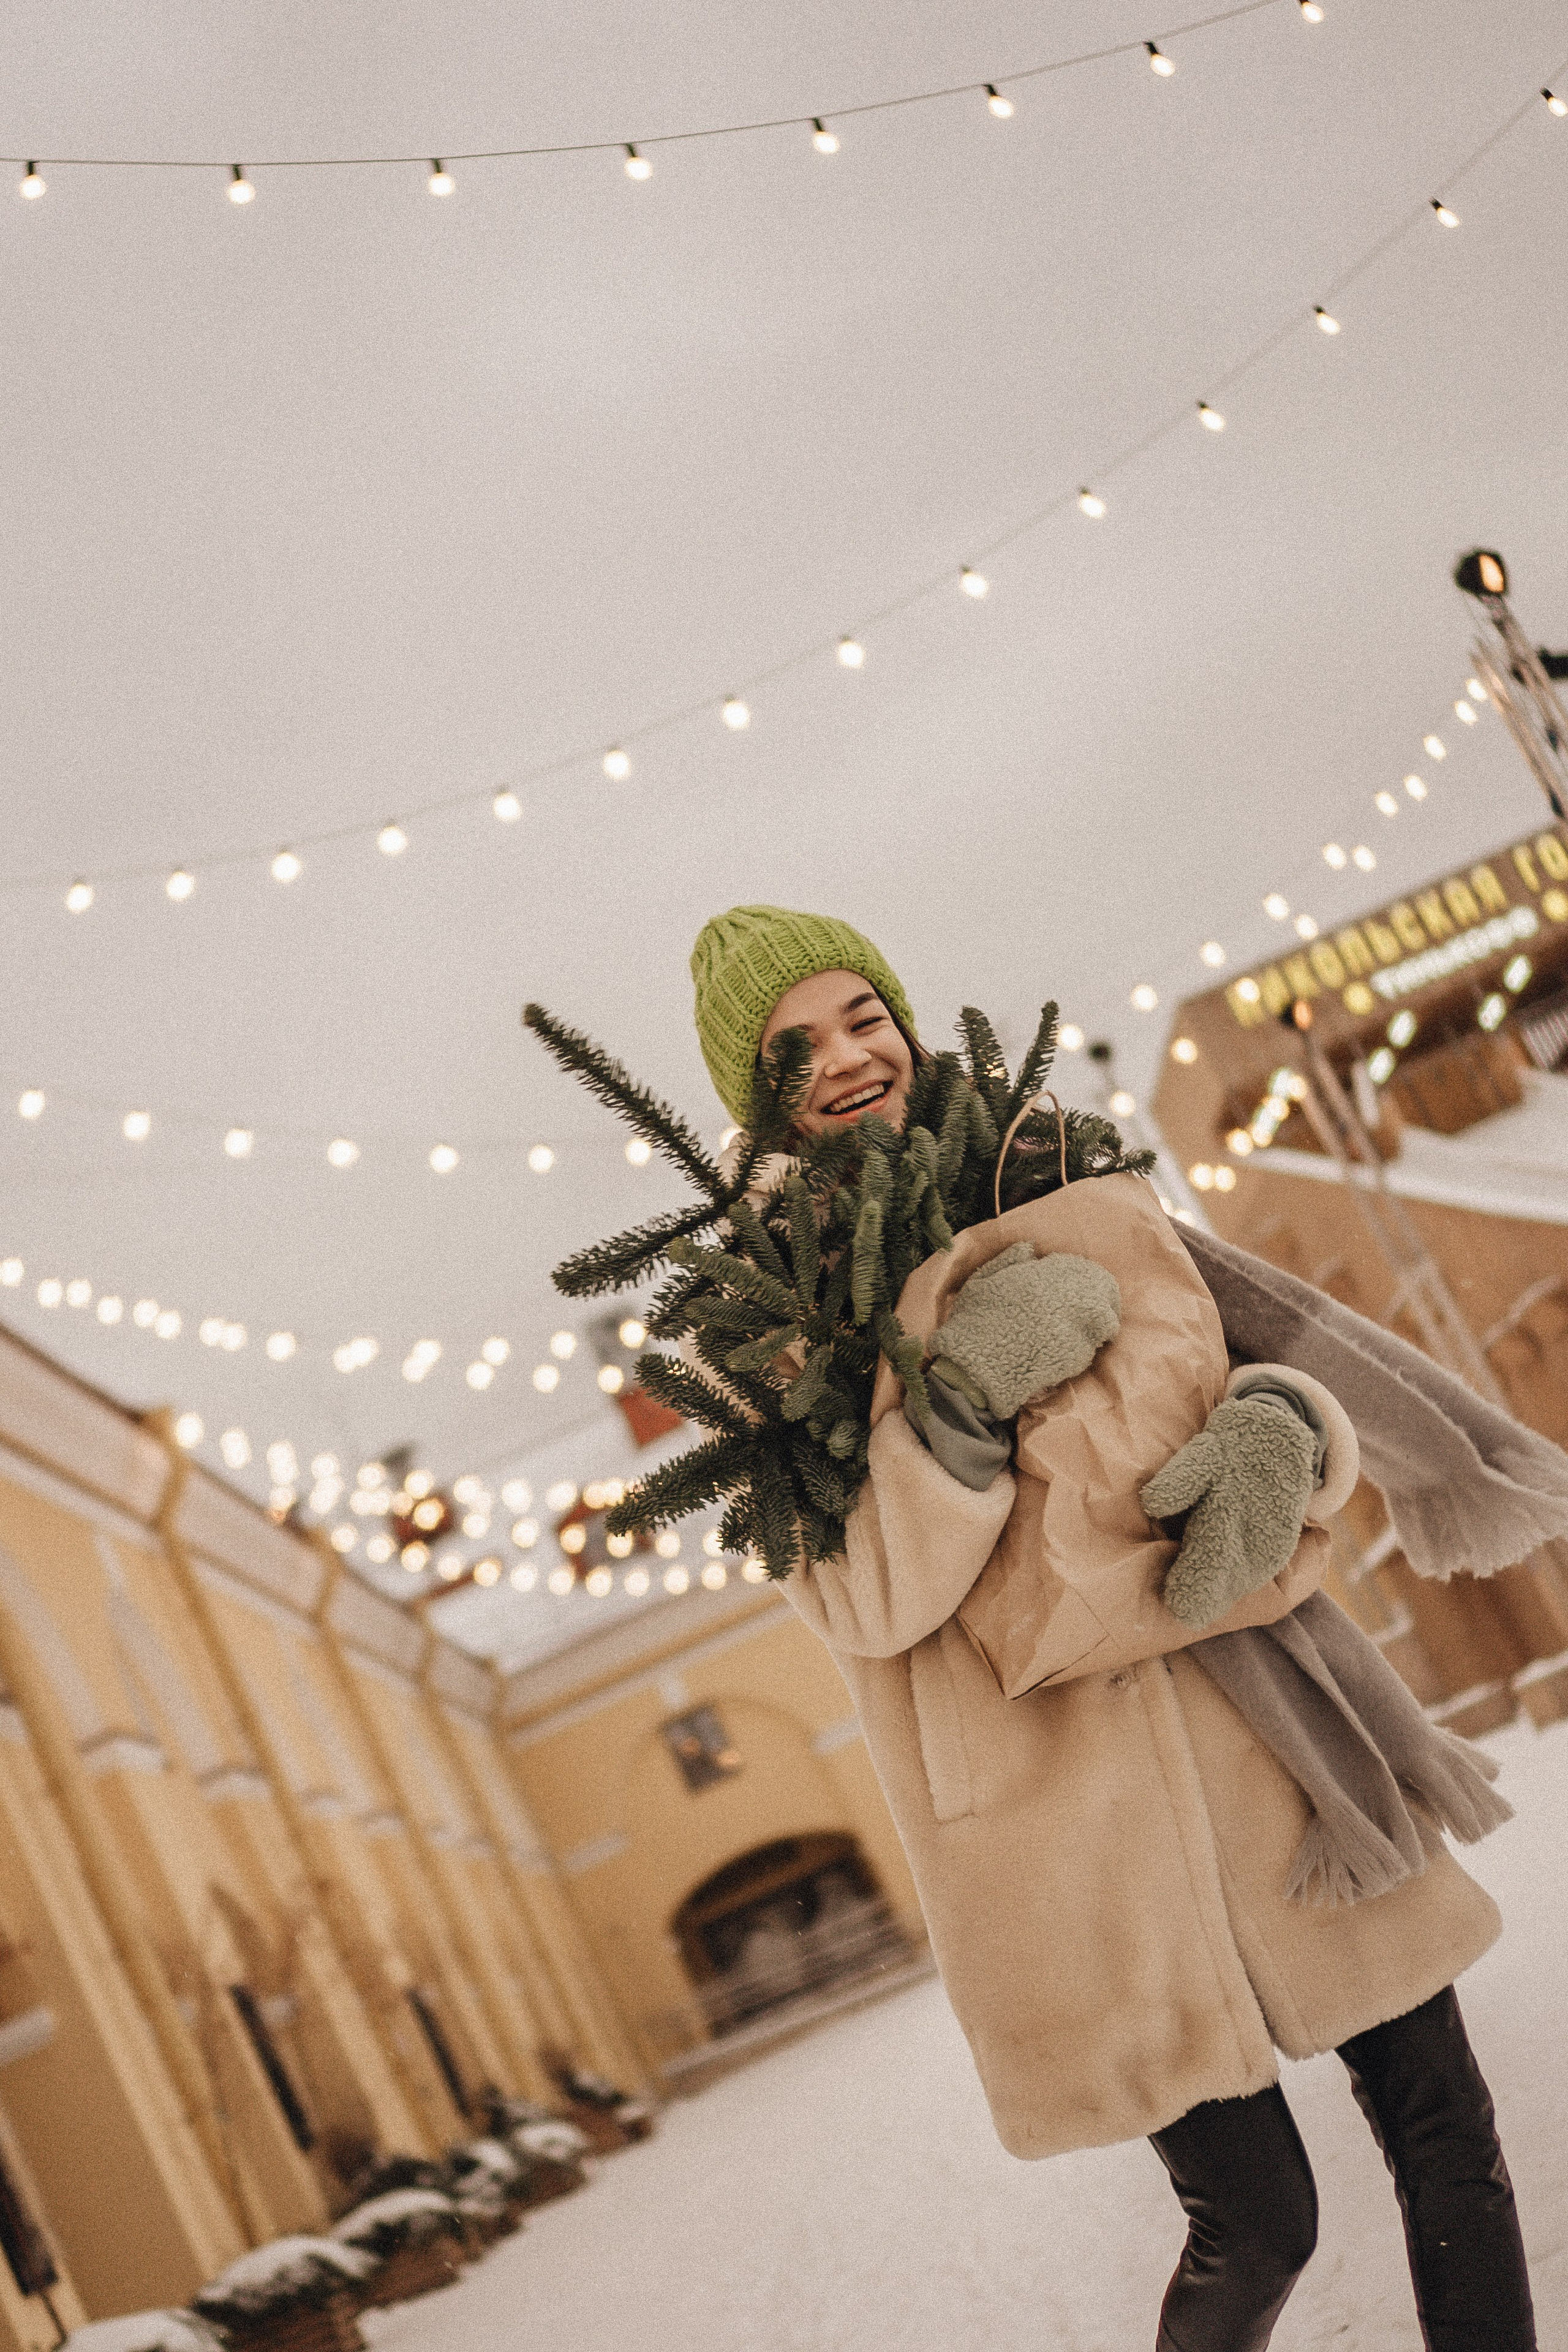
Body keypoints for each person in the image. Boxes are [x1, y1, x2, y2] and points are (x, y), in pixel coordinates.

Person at [686, 902, 1551, 2352]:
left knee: (1443, 2128)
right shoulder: (773, 1323)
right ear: (753, 1096)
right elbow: (865, 1597)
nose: (844, 1059)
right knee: (1259, 2222)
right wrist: (954, 1399)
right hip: (1066, 1824)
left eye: (861, 1018)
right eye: (793, 1050)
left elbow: (1235, 1379)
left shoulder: (1068, 1176)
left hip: (1276, 1759)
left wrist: (1289, 1427)